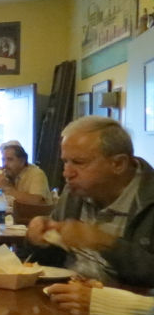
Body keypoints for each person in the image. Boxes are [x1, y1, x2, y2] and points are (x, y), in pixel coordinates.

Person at [26, 116, 154, 286]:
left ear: (118, 164)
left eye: (79, 162)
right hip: (64, 301)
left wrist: (106, 243)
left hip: (118, 309)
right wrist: (40, 240)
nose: (67, 173)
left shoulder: (147, 199)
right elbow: (52, 263)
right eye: (65, 161)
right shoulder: (74, 192)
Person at [0, 140, 52, 204]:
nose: (5, 164)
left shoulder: (36, 174)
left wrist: (7, 188)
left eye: (10, 159)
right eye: (3, 160)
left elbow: (37, 201)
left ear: (22, 161)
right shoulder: (9, 173)